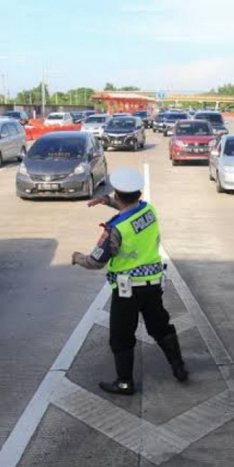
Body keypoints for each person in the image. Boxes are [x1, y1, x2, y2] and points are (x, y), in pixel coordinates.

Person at [71, 168, 188, 396]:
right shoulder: (149, 210)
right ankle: (179, 367)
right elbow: (130, 209)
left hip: (127, 292)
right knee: (160, 327)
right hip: (153, 284)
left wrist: (77, 257)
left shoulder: (115, 229)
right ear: (139, 193)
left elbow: (96, 261)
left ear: (117, 193)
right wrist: (107, 201)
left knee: (122, 336)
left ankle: (124, 383)